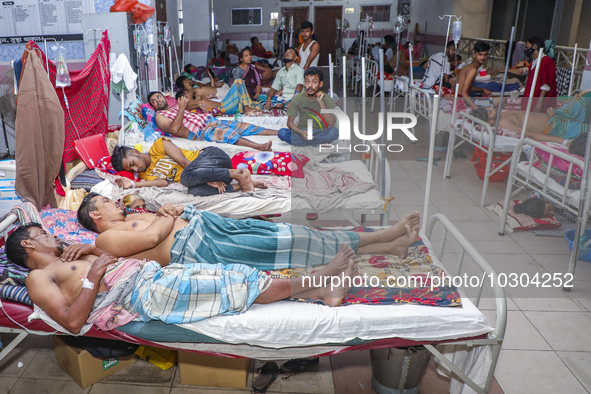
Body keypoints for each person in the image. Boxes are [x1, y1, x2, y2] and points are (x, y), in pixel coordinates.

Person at [6, 223, 363, 334]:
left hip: (154, 275)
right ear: (28, 243)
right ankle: (321, 277)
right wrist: (92, 278)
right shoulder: (39, 277)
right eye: (44, 233)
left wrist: (88, 251)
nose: (53, 234)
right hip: (143, 295)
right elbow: (70, 322)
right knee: (239, 286)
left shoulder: (71, 253)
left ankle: (324, 291)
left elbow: (113, 260)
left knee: (236, 275)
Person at [76, 193, 421, 270]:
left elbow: (161, 224)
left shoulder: (132, 215)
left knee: (290, 230)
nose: (114, 202)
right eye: (106, 201)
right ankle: (387, 240)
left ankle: (388, 241)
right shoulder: (105, 238)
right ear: (96, 214)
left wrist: (171, 211)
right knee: (294, 241)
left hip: (209, 228)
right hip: (201, 248)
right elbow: (153, 239)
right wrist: (167, 214)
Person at [110, 140, 267, 196]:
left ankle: (239, 173)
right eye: (131, 170)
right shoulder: (146, 176)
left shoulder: (159, 146)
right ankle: (242, 184)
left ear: (135, 152)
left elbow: (185, 162)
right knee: (194, 191)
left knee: (185, 177)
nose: (136, 169)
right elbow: (163, 183)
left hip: (212, 156)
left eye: (132, 164)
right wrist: (133, 184)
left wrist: (207, 179)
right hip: (212, 174)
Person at [148, 91, 275, 151]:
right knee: (228, 134)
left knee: (243, 126)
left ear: (164, 97)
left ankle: (276, 132)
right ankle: (259, 146)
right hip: (201, 132)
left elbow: (192, 105)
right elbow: (174, 129)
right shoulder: (159, 116)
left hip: (210, 120)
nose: (157, 100)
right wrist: (181, 108)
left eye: (159, 97)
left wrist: (195, 105)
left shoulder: (175, 106)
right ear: (153, 106)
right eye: (154, 101)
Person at [277, 67, 338, 146]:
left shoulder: (327, 99)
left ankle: (310, 142)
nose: (310, 85)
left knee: (334, 131)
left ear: (320, 84)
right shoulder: (297, 98)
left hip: (320, 131)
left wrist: (321, 103)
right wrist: (301, 132)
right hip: (302, 131)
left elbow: (331, 123)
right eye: (307, 82)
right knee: (282, 133)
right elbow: (290, 122)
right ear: (304, 83)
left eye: (314, 82)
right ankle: (317, 143)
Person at [175, 76, 262, 116]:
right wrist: (197, 104)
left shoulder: (196, 102)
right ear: (185, 97)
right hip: (224, 108)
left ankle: (247, 108)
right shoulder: (191, 104)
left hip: (225, 106)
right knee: (238, 81)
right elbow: (184, 107)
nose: (190, 93)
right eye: (188, 93)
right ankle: (247, 109)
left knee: (256, 103)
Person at [522, 36, 557, 113]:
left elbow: (546, 85)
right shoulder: (533, 62)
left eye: (527, 48)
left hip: (540, 102)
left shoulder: (547, 61)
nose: (526, 50)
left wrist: (539, 103)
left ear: (534, 46)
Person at [457, 41, 493, 110]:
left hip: (465, 97)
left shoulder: (471, 67)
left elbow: (468, 88)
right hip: (462, 100)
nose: (483, 57)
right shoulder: (472, 69)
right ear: (474, 55)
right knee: (502, 101)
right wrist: (477, 109)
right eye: (480, 54)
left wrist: (482, 89)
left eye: (485, 55)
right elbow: (463, 93)